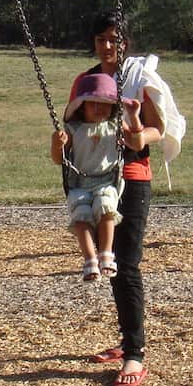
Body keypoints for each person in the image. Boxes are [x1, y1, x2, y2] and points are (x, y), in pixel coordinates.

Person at [73, 12, 185, 386]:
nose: (108, 46)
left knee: (127, 263)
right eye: (102, 39)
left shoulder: (137, 79)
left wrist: (140, 137)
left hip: (133, 178)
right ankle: (126, 341)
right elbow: (75, 127)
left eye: (114, 40)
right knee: (111, 263)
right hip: (95, 178)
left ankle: (135, 352)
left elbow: (157, 128)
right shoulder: (90, 81)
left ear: (125, 44)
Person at [52, 71, 143, 282]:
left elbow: (137, 144)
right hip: (79, 184)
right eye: (93, 103)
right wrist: (57, 144)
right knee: (81, 218)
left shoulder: (115, 126)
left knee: (106, 211)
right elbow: (59, 159)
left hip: (106, 181)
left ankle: (106, 254)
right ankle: (90, 260)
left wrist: (135, 118)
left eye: (105, 103)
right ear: (81, 105)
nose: (99, 108)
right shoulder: (73, 130)